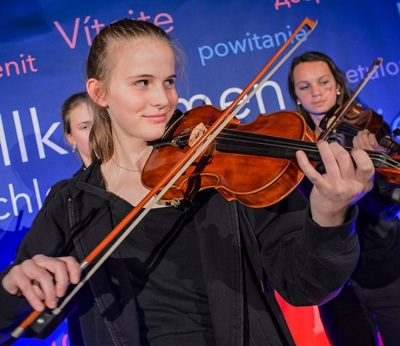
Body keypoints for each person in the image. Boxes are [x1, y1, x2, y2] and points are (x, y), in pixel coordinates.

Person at [0, 20, 375, 346]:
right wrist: (13, 288)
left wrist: (329, 216)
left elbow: (305, 285)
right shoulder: (71, 203)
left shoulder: (226, 169)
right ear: (99, 93)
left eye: (168, 81)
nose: (162, 99)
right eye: (142, 83)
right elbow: (13, 320)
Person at [288, 51, 400, 345]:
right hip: (334, 281)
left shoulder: (368, 127)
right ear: (296, 96)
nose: (316, 92)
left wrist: (375, 167)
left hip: (384, 268)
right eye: (305, 86)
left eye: (323, 82)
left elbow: (387, 208)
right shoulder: (296, 143)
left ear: (338, 86)